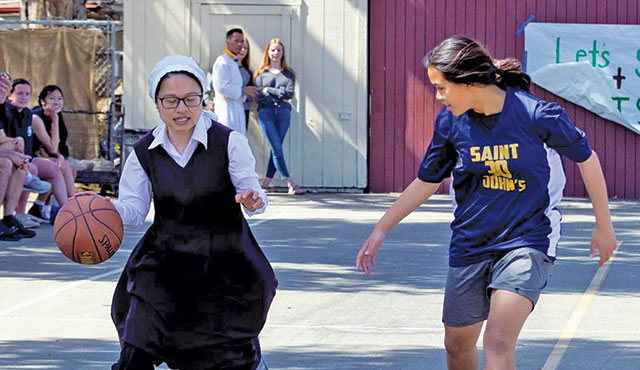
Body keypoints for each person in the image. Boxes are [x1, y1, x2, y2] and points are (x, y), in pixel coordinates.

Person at [355, 35, 617, 370]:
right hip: (471, 243)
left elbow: (587, 159)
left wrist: (603, 224)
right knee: (457, 345)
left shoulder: (536, 115)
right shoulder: (451, 122)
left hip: (527, 241)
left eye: (441, 87)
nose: (438, 97)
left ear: (468, 82)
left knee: (497, 340)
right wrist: (381, 229)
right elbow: (427, 181)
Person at [106, 55, 276, 369]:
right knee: (137, 345)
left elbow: (252, 190)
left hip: (223, 261)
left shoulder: (229, 142)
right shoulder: (144, 152)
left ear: (203, 98)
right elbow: (133, 210)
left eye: (190, 99)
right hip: (164, 261)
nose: (182, 109)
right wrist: (104, 210)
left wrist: (254, 199)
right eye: (171, 100)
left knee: (220, 359)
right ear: (156, 103)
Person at [253, 38, 305, 194]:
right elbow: (258, 97)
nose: (276, 53)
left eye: (279, 50)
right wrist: (275, 93)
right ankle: (290, 183)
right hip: (266, 113)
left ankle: (265, 183)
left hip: (283, 113)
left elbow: (288, 94)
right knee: (276, 147)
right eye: (273, 50)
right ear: (268, 52)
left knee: (277, 149)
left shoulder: (289, 75)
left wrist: (269, 90)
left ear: (283, 53)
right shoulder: (261, 74)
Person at [0, 74, 36, 239]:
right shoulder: (7, 110)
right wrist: (14, 147)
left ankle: (8, 218)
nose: (24, 97)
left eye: (27, 94)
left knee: (21, 164)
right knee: (7, 163)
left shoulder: (26, 113)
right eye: (20, 93)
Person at [212, 28, 260, 136]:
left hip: (237, 108)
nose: (239, 44)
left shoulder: (233, 62)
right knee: (227, 141)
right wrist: (243, 90)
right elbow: (221, 87)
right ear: (227, 41)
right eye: (236, 41)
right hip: (226, 110)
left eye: (241, 41)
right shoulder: (222, 61)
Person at [238, 36, 254, 132]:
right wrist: (207, 102)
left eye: (245, 48)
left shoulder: (247, 72)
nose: (243, 50)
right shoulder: (223, 66)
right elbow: (208, 86)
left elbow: (250, 94)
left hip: (244, 110)